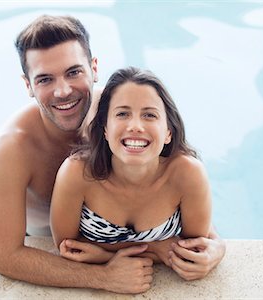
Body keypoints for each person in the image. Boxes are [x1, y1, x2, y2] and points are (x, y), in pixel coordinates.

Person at [0, 15, 226, 294]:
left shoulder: (120, 114)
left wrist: (217, 246)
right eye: (45, 79)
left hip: (135, 228)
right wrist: (104, 277)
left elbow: (174, 178)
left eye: (73, 72)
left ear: (94, 68)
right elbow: (6, 258)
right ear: (28, 84)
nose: (63, 91)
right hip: (51, 240)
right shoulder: (13, 147)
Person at [50, 67, 212, 273]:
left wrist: (105, 255)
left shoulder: (188, 174)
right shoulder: (77, 173)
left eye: (149, 115)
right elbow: (67, 246)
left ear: (168, 133)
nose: (135, 126)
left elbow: (193, 252)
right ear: (106, 129)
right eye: (123, 113)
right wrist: (154, 248)